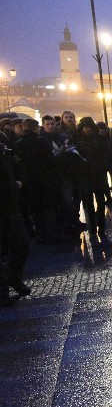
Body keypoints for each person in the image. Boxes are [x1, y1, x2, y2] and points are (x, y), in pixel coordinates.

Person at [15, 119, 58, 242]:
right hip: (43, 179)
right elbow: (50, 160)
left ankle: (40, 235)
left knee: (35, 210)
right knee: (47, 208)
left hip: (28, 181)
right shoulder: (42, 141)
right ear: (36, 128)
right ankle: (50, 234)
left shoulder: (19, 144)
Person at [0, 142, 30, 305]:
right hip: (7, 207)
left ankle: (12, 277)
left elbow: (20, 169)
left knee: (21, 246)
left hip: (10, 208)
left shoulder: (5, 151)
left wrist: (18, 182)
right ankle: (2, 292)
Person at [75, 117, 110, 240]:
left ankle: (100, 226)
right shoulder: (78, 139)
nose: (86, 129)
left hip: (97, 174)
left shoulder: (97, 139)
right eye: (84, 127)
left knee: (99, 202)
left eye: (88, 126)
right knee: (89, 203)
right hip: (86, 174)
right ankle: (92, 228)